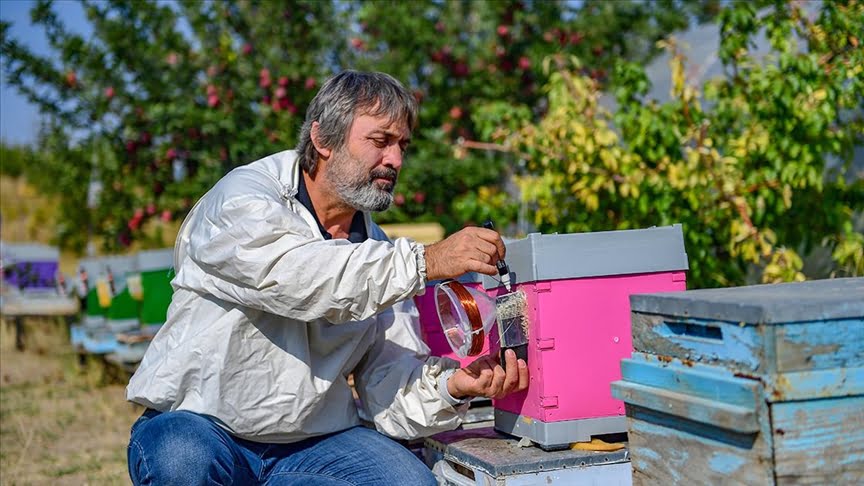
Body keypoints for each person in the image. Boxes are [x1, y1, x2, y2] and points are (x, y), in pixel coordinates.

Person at [126, 70, 529, 486]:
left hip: (312, 444)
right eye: (380, 140)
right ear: (323, 140)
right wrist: (427, 260)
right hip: (202, 425)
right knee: (182, 460)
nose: (396, 160)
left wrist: (454, 386)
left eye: (402, 145)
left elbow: (387, 386)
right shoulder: (241, 199)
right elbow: (299, 278)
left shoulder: (382, 253)